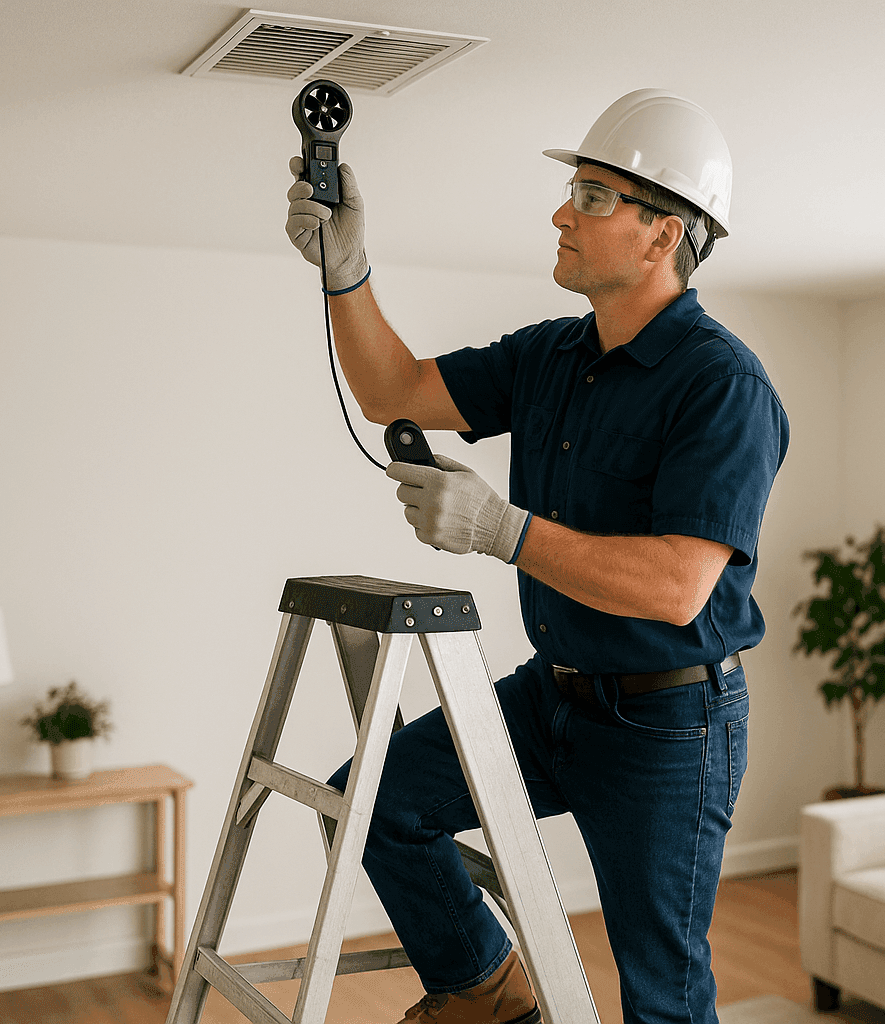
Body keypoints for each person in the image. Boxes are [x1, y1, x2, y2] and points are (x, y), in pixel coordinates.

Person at [285, 88, 789, 1024]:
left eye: (593, 197)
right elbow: (394, 390)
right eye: (573, 193)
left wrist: (501, 529)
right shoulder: (551, 356)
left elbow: (678, 588)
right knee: (372, 801)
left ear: (663, 234)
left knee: (663, 996)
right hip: (552, 695)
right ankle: (489, 995)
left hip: (669, 727)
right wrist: (345, 269)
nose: (563, 214)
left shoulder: (724, 386)